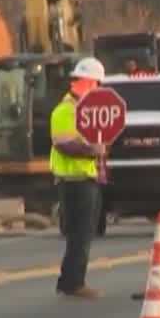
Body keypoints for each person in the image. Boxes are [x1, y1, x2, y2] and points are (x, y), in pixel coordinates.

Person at [50, 57, 108, 299]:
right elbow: (64, 144)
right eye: (95, 84)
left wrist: (100, 161)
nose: (98, 90)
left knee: (82, 234)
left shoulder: (88, 112)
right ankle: (74, 283)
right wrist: (92, 150)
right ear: (84, 82)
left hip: (86, 179)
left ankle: (69, 280)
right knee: (80, 234)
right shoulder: (65, 111)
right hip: (74, 182)